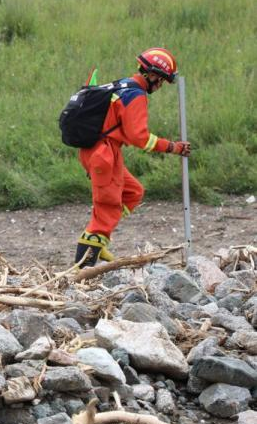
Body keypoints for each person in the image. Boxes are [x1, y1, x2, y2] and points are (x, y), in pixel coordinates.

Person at [75, 48, 191, 267]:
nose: (160, 86)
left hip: (104, 151)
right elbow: (140, 138)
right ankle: (82, 271)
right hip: (103, 155)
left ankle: (99, 245)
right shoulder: (136, 95)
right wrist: (172, 147)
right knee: (105, 212)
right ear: (153, 75)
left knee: (132, 192)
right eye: (162, 81)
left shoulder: (124, 84)